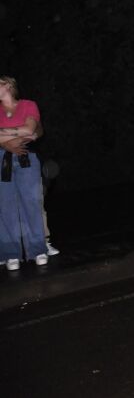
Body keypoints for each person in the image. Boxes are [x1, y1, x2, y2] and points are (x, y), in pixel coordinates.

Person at [0, 75, 48, 271]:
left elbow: (30, 129)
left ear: (8, 85)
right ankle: (11, 254)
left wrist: (4, 134)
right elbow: (24, 132)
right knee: (6, 206)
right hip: (1, 158)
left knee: (31, 203)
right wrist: (9, 142)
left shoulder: (28, 105)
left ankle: (38, 250)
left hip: (26, 156)